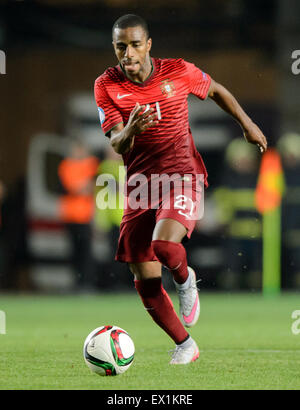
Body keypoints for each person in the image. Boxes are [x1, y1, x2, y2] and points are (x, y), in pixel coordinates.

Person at [94, 14, 267, 364]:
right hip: (141, 186)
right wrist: (131, 129)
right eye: (120, 46)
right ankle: (185, 345)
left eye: (134, 45)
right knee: (143, 278)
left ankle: (186, 280)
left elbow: (216, 89)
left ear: (149, 44)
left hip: (182, 176)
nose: (128, 54)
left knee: (162, 244)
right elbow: (116, 144)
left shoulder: (178, 71)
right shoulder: (105, 85)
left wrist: (247, 124)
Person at [58, 140, 99, 291]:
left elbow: (95, 185)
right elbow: (72, 187)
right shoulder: (66, 165)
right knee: (73, 251)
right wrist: (84, 187)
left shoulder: (92, 164)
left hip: (86, 216)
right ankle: (77, 283)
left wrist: (83, 187)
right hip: (70, 216)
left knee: (86, 252)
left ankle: (86, 283)